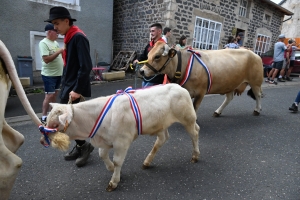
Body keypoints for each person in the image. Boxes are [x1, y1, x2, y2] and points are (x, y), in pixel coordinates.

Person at [44, 6, 94, 167]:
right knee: (69, 121)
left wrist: (77, 90)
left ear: (67, 21)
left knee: (70, 121)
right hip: (69, 86)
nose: (55, 27)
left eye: (57, 23)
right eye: (53, 24)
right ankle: (81, 146)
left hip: (74, 88)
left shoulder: (78, 37)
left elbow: (85, 66)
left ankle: (85, 147)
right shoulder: (69, 38)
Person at [39, 24, 64, 124]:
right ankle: (44, 116)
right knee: (49, 95)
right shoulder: (43, 43)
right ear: (49, 32)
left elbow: (60, 55)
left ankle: (51, 113)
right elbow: (46, 60)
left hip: (58, 74)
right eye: (55, 31)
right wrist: (59, 52)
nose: (58, 33)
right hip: (49, 75)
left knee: (55, 94)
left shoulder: (56, 43)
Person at [133, 23, 165, 88]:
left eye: (153, 31)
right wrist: (138, 60)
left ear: (159, 31)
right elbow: (144, 54)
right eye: (150, 31)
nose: (151, 33)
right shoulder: (150, 45)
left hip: (156, 78)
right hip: (147, 76)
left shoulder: (163, 46)